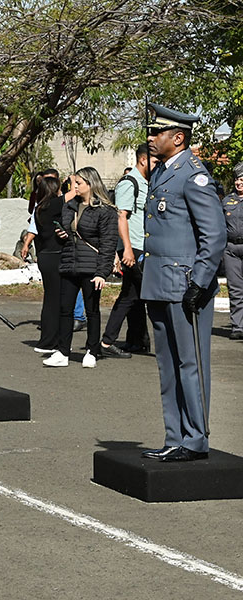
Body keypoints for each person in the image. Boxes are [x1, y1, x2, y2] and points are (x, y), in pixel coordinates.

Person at [139, 103, 226, 462]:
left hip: (185, 284)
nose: (150, 137)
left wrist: (201, 282)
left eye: (156, 132)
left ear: (178, 138)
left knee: (191, 364)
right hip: (159, 281)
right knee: (167, 364)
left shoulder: (193, 175)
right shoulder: (161, 173)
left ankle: (195, 439)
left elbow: (215, 234)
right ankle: (174, 436)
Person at [43, 167, 118, 368]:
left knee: (92, 310)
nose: (74, 187)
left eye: (78, 183)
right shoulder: (69, 206)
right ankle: (63, 351)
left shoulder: (105, 210)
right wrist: (63, 235)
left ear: (90, 184)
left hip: (92, 266)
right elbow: (65, 231)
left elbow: (108, 243)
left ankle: (92, 350)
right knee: (65, 309)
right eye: (73, 183)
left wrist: (102, 272)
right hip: (70, 262)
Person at [99, 144, 158, 358]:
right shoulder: (129, 183)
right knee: (142, 295)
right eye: (155, 162)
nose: (157, 165)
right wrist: (127, 250)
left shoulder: (146, 183)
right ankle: (107, 343)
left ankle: (133, 341)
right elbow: (121, 217)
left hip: (143, 247)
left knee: (132, 295)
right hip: (133, 249)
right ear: (143, 160)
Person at [21, 176, 65, 352]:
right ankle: (49, 341)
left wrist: (26, 244)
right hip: (55, 257)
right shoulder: (54, 205)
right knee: (56, 301)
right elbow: (70, 196)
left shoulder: (39, 208)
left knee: (50, 299)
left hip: (44, 256)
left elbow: (33, 229)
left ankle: (48, 339)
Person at [222, 162, 243, 340]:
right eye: (237, 179)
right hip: (231, 249)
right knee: (235, 289)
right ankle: (238, 326)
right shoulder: (227, 201)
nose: (239, 182)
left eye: (242, 179)